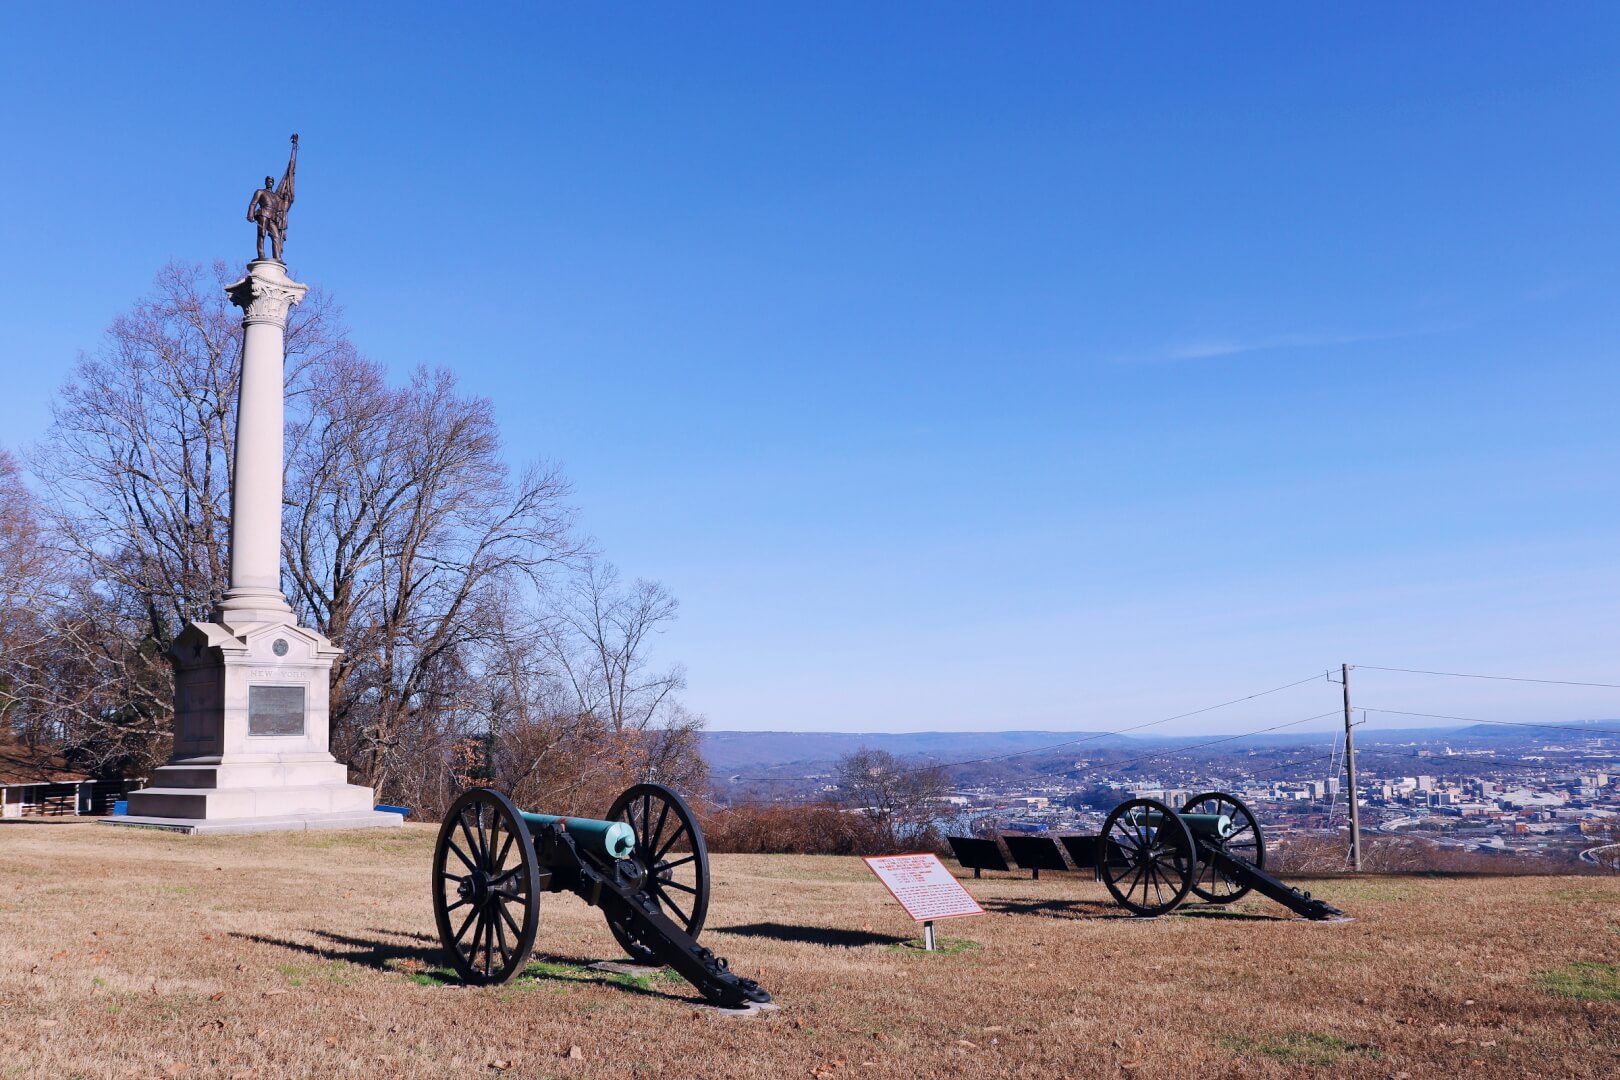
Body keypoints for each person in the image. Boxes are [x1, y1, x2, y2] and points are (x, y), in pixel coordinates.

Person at [247, 134, 298, 261]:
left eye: (271, 181)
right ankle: (261, 255)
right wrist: (250, 214)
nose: (270, 182)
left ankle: (277, 257)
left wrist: (294, 148)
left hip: (273, 218)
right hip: (263, 214)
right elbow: (253, 203)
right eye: (268, 181)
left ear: (273, 183)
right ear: (266, 182)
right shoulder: (260, 192)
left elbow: (284, 205)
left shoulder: (276, 197)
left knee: (275, 236)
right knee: (261, 234)